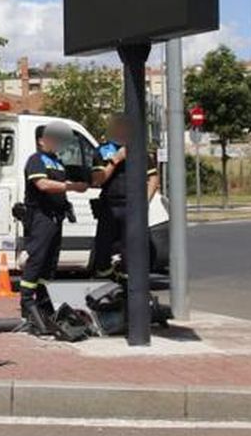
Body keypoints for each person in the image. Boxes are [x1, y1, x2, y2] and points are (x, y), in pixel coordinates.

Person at [19, 122, 87, 335]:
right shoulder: (36, 160)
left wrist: (67, 202)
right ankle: (27, 303)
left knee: (50, 263)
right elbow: (43, 185)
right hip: (40, 217)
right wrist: (72, 186)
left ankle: (43, 301)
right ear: (41, 140)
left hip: (56, 218)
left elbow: (59, 188)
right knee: (37, 260)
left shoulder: (57, 162)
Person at [87, 114, 160, 280]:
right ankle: (107, 280)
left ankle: (128, 287)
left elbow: (153, 178)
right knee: (103, 250)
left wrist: (144, 202)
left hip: (132, 207)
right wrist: (116, 159)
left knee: (131, 250)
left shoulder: (138, 150)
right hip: (109, 206)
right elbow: (98, 179)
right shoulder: (102, 150)